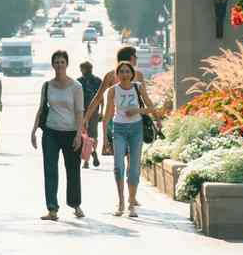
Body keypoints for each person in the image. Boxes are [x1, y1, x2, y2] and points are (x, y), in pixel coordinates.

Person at [97, 60, 161, 218]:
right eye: (121, 72)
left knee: (134, 168)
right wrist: (104, 138)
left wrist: (137, 111)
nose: (125, 75)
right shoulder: (113, 90)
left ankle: (131, 203)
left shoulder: (138, 87)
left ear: (132, 74)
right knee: (118, 166)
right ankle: (121, 202)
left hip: (136, 130)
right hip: (118, 130)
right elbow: (107, 115)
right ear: (117, 75)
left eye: (127, 71)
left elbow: (151, 107)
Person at [30, 50, 84, 220]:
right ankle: (52, 209)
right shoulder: (47, 85)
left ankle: (76, 205)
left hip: (70, 133)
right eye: (56, 62)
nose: (59, 65)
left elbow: (79, 112)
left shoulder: (76, 87)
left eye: (62, 62)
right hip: (51, 132)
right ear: (53, 65)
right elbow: (41, 108)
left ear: (67, 64)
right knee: (50, 170)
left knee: (73, 170)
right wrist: (33, 130)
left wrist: (78, 134)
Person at [77, 61, 102, 168]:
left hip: (81, 112)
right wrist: (102, 111)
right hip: (94, 112)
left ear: (83, 69)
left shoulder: (78, 82)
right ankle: (94, 152)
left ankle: (86, 160)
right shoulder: (98, 81)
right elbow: (101, 98)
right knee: (93, 135)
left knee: (83, 136)